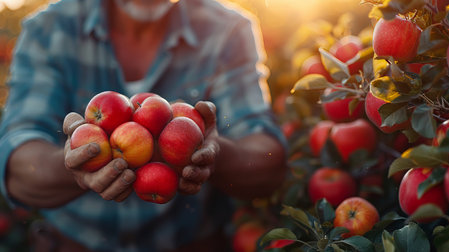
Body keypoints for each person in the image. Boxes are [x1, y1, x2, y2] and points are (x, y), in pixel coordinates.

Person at [0, 0, 287, 251]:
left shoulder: (227, 31)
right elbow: (16, 162)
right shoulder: (49, 29)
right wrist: (76, 163)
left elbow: (268, 161)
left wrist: (209, 151)